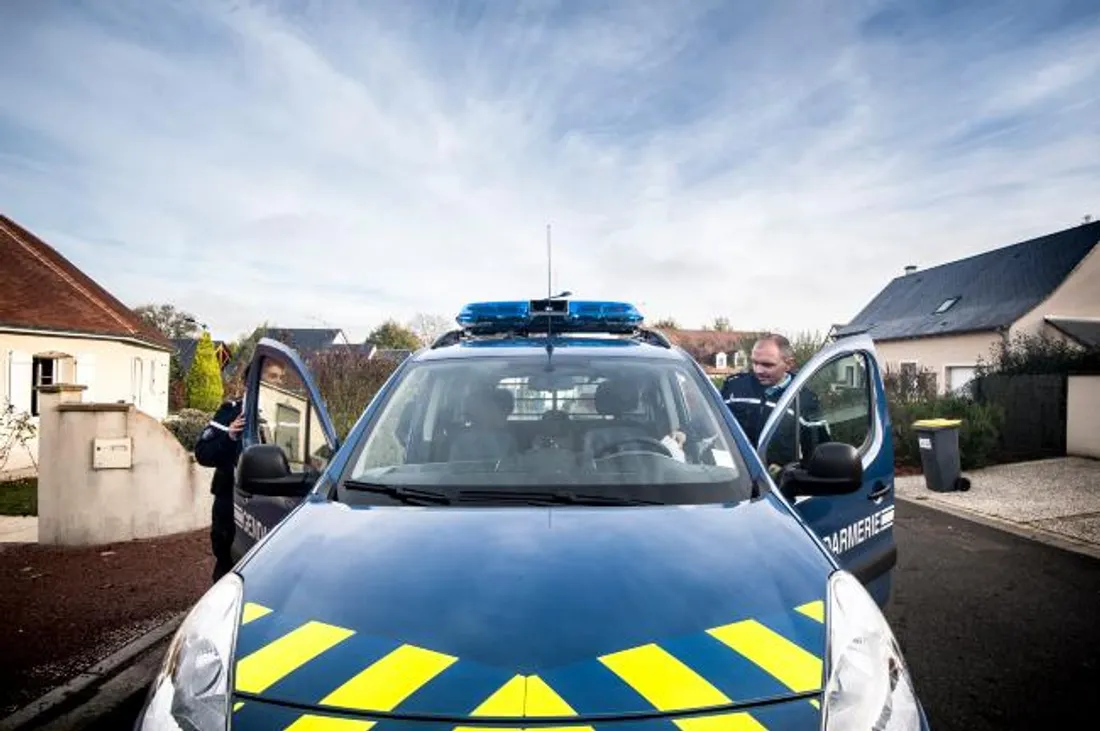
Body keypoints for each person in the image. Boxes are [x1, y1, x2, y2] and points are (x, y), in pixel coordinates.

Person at [720, 334, 830, 471]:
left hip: (778, 485)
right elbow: (709, 427)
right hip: (732, 478)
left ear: (789, 364)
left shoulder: (805, 400)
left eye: (767, 365)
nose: (758, 370)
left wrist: (789, 473)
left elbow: (818, 453)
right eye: (754, 362)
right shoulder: (734, 387)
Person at [194, 385, 245, 584]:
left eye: (281, 377)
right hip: (229, 502)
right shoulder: (230, 412)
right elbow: (203, 453)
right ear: (250, 383)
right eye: (272, 376)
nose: (278, 382)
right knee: (227, 566)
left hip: (266, 504)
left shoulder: (283, 412)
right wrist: (229, 436)